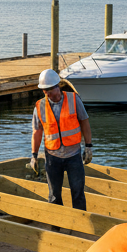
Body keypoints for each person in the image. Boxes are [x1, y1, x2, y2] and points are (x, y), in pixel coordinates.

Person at [30, 69, 93, 211]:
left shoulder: (73, 99)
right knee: (54, 196)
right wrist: (34, 156)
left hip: (74, 156)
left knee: (78, 193)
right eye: (49, 94)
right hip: (52, 158)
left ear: (58, 86)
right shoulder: (40, 106)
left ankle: (79, 226)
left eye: (55, 92)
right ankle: (56, 227)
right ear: (44, 92)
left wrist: (88, 146)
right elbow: (37, 132)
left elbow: (85, 122)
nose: (54, 96)